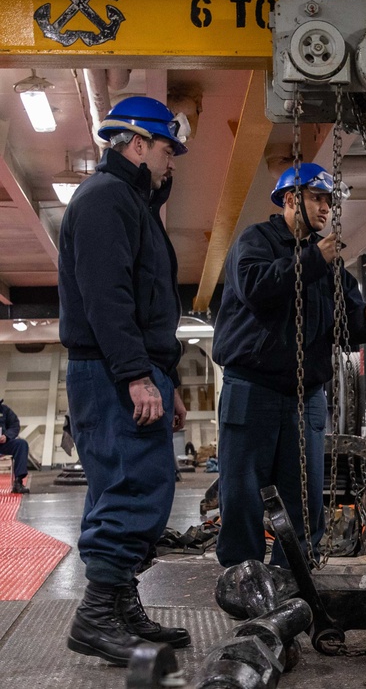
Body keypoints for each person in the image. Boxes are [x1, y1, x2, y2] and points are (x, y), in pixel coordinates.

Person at [58, 96, 192, 664]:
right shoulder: (106, 199)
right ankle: (96, 616)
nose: (171, 163)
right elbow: (108, 298)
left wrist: (167, 379)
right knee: (134, 489)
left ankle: (118, 606)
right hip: (112, 373)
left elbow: (148, 305)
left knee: (127, 487)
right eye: (166, 149)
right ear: (137, 143)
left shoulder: (132, 202)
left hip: (134, 370)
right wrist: (137, 375)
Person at [212, 163, 366, 569]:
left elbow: (341, 324)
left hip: (306, 398)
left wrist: (365, 319)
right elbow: (257, 287)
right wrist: (311, 260)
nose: (327, 209)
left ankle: (291, 579)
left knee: (304, 496)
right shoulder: (257, 242)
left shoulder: (328, 264)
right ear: (291, 200)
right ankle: (243, 576)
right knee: (242, 491)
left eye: (329, 201)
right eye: (318, 199)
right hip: (252, 390)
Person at [0, 399, 31, 493]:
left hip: (3, 444)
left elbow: (14, 425)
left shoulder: (4, 410)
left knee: (21, 444)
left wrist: (7, 436)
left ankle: (18, 482)